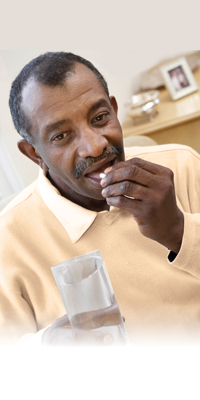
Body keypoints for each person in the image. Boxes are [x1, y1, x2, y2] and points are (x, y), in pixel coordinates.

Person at [1, 51, 200, 346]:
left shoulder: (182, 165)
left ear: (115, 111)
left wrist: (177, 229)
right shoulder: (9, 241)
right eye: (61, 136)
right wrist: (46, 347)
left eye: (100, 118)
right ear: (34, 154)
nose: (95, 146)